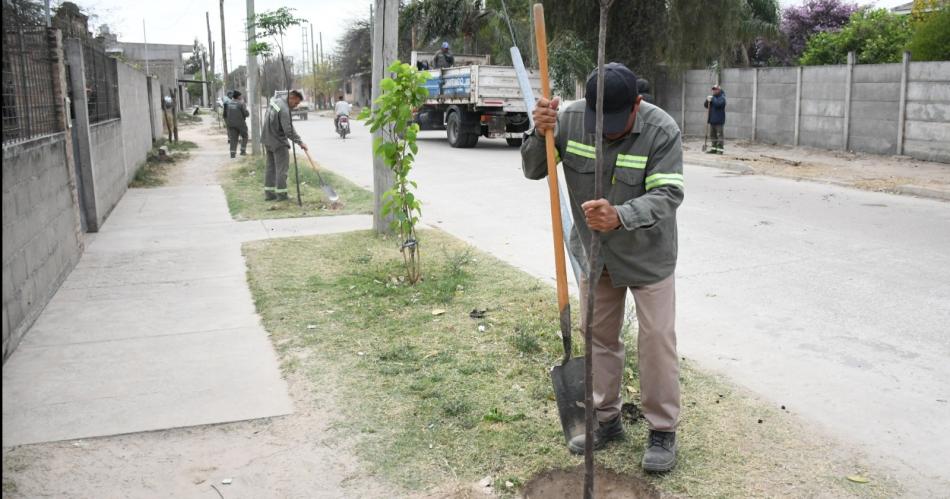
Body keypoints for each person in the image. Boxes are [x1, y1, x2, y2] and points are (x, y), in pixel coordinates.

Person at [521, 63, 684, 473]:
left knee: (657, 341)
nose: (606, 130)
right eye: (600, 121)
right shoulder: (573, 120)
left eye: (616, 121)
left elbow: (668, 193)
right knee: (598, 337)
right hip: (596, 255)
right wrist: (538, 132)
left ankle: (662, 430)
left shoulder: (661, 130)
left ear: (637, 103)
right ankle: (606, 419)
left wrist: (621, 214)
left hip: (647, 254)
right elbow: (533, 169)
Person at [261, 89, 308, 201]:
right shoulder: (284, 109)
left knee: (270, 168)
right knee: (282, 169)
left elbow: (269, 118)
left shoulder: (275, 102)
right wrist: (300, 142)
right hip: (278, 142)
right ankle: (282, 195)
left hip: (267, 139)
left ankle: (269, 193)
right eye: (296, 103)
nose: (296, 106)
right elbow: (288, 129)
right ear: (291, 97)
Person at [224, 90, 249, 158]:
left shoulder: (229, 104)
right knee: (245, 136)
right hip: (240, 124)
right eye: (240, 95)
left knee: (233, 139)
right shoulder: (241, 104)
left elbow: (226, 114)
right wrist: (246, 110)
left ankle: (232, 154)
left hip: (231, 124)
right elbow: (246, 114)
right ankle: (243, 151)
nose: (241, 97)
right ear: (238, 96)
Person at [704, 84, 726, 154]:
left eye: (715, 89)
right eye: (713, 89)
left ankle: (720, 149)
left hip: (719, 121)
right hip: (712, 120)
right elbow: (706, 106)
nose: (714, 91)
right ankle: (714, 149)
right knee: (712, 135)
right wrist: (707, 100)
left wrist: (712, 99)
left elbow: (718, 104)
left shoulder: (722, 98)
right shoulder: (713, 97)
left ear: (719, 90)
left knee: (719, 136)